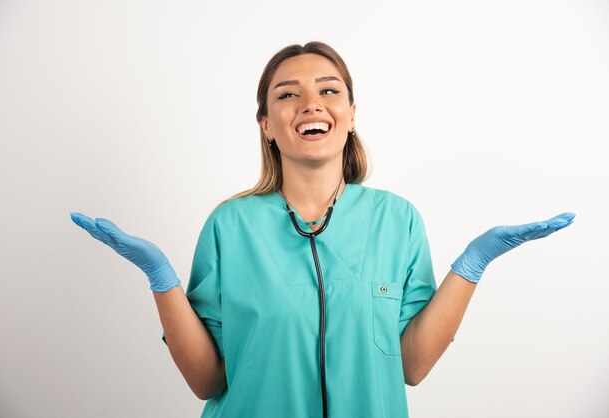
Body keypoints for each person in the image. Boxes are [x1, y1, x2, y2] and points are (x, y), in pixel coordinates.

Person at [70, 41, 575, 418]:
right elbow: (207, 380)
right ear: (266, 123)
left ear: (350, 115)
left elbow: (413, 366)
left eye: (328, 91)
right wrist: (162, 279)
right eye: (287, 95)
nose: (311, 103)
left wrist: (473, 263)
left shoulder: (397, 219)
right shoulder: (230, 225)